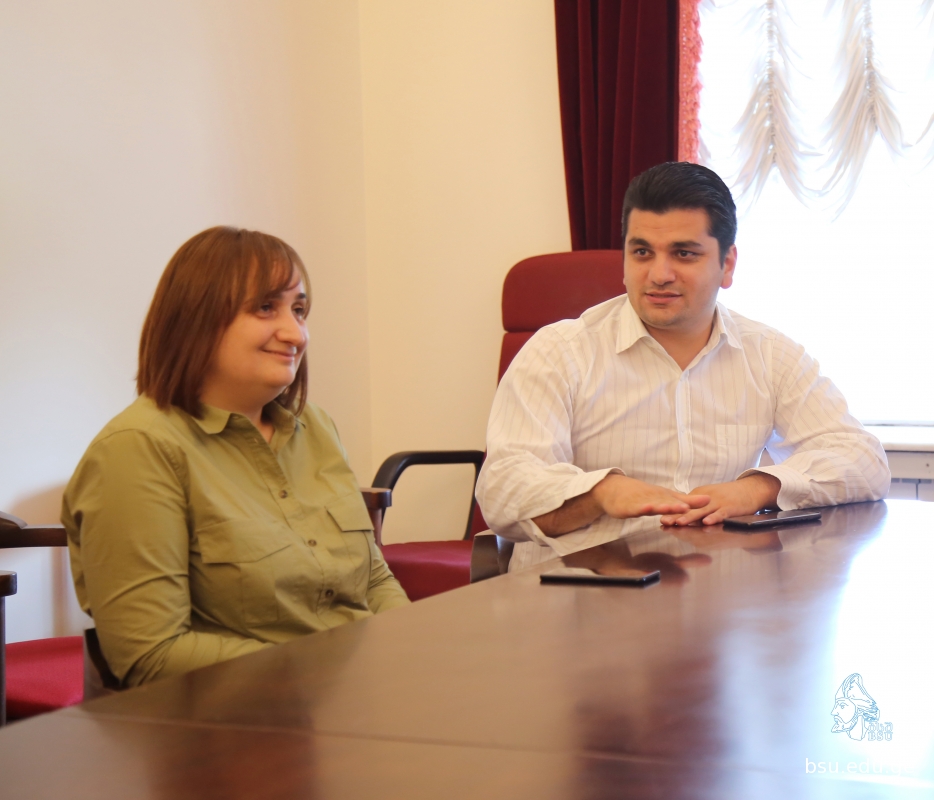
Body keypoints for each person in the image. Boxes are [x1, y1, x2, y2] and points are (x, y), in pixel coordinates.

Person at [476, 162, 890, 570]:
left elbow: (863, 460)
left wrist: (758, 488)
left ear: (727, 265)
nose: (659, 274)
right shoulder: (557, 351)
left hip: (713, 594)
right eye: (642, 252)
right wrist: (600, 492)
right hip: (576, 594)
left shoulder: (770, 355)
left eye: (684, 254)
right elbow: (502, 487)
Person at [62, 227, 409, 687]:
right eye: (266, 307)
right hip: (243, 716)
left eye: (299, 310)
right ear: (196, 318)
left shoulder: (316, 427)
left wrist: (407, 648)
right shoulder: (136, 449)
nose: (295, 333)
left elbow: (374, 581)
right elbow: (151, 654)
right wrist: (323, 674)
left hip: (356, 692)